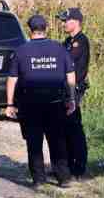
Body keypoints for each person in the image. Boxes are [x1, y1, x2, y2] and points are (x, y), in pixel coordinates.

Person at [5, 14, 77, 188]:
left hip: (30, 104)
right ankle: (64, 177)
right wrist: (72, 98)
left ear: (30, 30)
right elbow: (70, 76)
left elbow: (12, 79)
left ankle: (38, 179)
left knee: (34, 142)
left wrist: (9, 104)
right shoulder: (59, 48)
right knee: (57, 140)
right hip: (55, 102)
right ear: (46, 29)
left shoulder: (21, 50)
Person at [58, 7, 90, 179]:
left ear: (76, 22)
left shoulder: (80, 41)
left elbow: (67, 63)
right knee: (65, 129)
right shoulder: (68, 41)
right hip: (65, 89)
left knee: (74, 128)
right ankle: (69, 165)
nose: (63, 24)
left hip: (74, 89)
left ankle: (79, 167)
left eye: (65, 20)